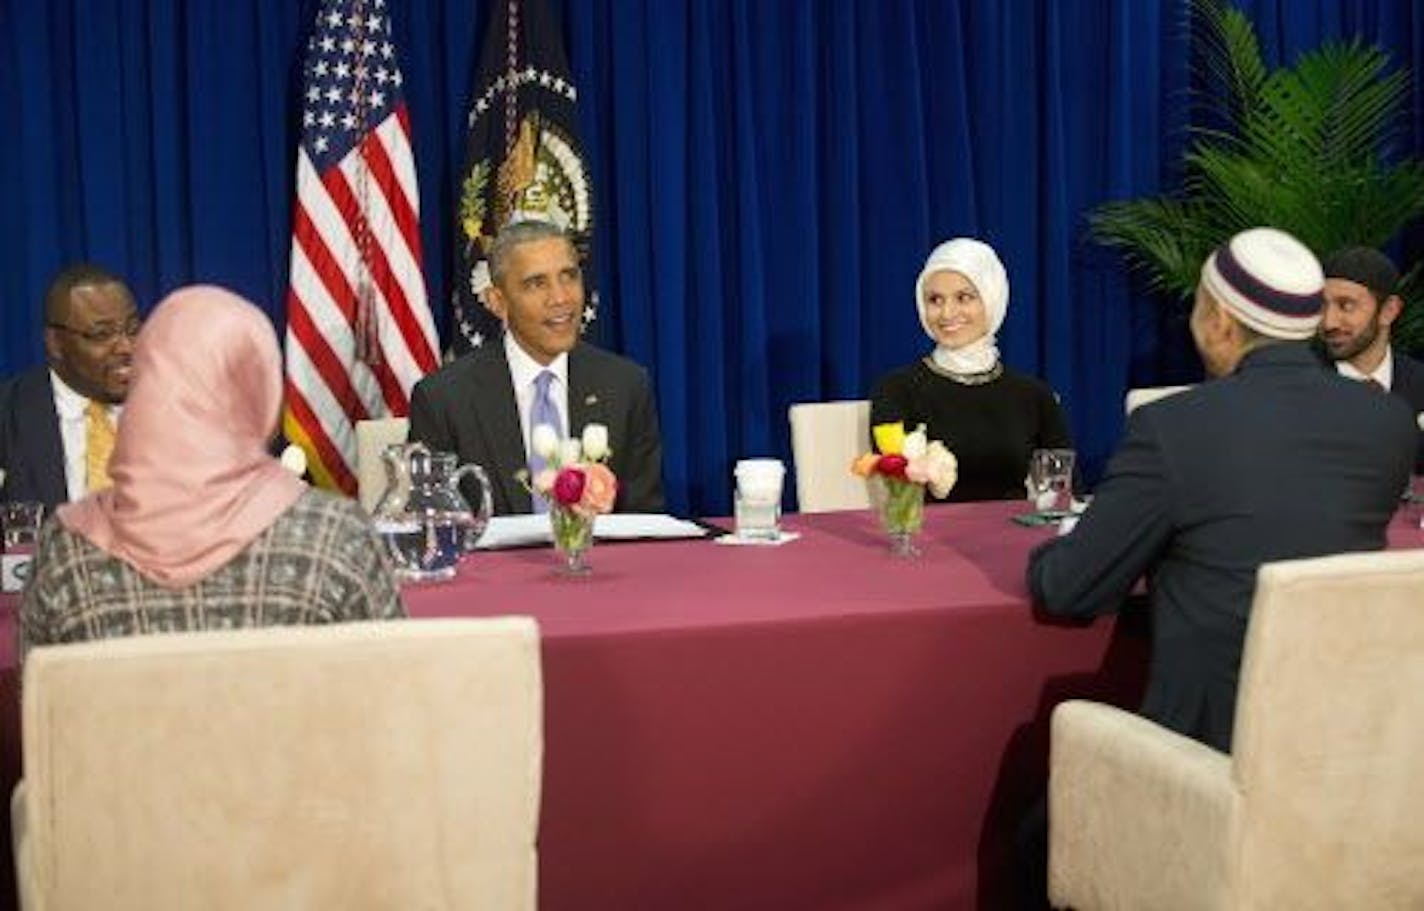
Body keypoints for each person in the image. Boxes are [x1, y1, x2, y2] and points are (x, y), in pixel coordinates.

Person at [1028, 227, 1415, 753]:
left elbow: (1070, 588)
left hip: (1206, 759)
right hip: (1343, 747)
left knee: (1032, 830)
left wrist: (1051, 550)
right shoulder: (1389, 424)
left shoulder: (1173, 428)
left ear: (1221, 322)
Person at [21, 285, 403, 662]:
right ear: (261, 386)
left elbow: (39, 706)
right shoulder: (336, 539)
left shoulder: (64, 548)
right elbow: (389, 687)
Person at [409, 219, 665, 515]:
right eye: (536, 283)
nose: (560, 298)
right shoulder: (443, 400)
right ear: (498, 302)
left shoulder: (626, 386)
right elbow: (432, 527)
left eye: (569, 276)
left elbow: (646, 522)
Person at [869, 238, 1071, 501]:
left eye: (964, 298)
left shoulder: (1033, 395)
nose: (947, 313)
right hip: (928, 538)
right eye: (935, 299)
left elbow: (1064, 492)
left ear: (992, 299)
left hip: (1016, 537)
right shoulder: (897, 390)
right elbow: (900, 491)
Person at [0, 263, 138, 508]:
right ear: (56, 344)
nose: (127, 347)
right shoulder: (8, 418)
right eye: (101, 335)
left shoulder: (174, 409)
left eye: (132, 329)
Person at [1318, 245, 1424, 472]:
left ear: (1389, 311)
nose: (1329, 322)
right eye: (1322, 305)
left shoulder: (1420, 385)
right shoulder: (1294, 385)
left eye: (1346, 306)